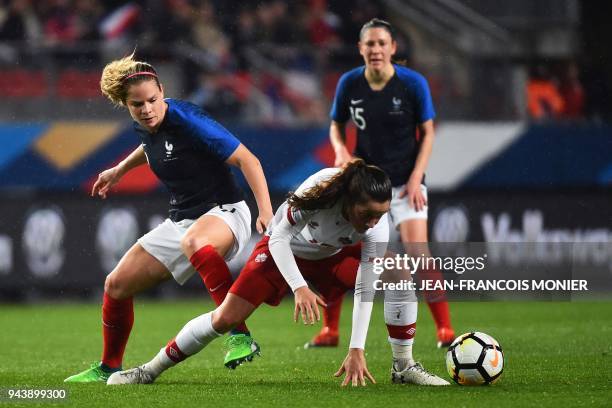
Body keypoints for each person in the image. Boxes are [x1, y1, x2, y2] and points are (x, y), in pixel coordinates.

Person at [105, 160, 449, 386]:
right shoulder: (317, 191)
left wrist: (356, 348)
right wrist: (299, 286)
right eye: (366, 214)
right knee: (225, 319)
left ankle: (403, 367)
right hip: (284, 252)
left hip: (335, 254)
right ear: (346, 199)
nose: (373, 222)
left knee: (399, 271)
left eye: (380, 215)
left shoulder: (376, 225)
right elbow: (278, 238)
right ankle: (148, 370)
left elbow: (366, 287)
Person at [64, 53, 274, 383]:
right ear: (127, 105)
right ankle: (108, 366)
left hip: (224, 211)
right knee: (116, 285)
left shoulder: (188, 119)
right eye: (137, 105)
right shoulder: (146, 123)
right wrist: (119, 169)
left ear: (162, 91)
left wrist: (266, 212)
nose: (146, 109)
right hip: (182, 220)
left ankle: (239, 334)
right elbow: (151, 147)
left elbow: (249, 160)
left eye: (152, 100)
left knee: (196, 241)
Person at [310, 18, 455, 349]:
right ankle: (330, 331)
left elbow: (429, 132)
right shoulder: (350, 83)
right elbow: (336, 125)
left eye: (381, 43)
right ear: (361, 49)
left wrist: (417, 177)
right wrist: (341, 149)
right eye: (370, 44)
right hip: (366, 185)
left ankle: (444, 329)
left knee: (418, 253)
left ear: (392, 48)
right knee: (341, 251)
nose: (376, 49)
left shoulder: (412, 83)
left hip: (406, 182)